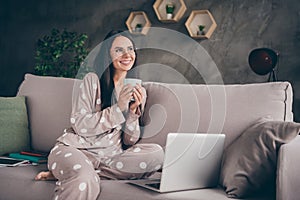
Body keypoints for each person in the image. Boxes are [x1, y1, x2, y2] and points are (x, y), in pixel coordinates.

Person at [35, 30, 164, 200]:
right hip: (77, 150)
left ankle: (74, 173)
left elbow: (129, 141)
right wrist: (119, 108)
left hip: (110, 157)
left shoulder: (138, 90)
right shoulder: (92, 80)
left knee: (156, 153)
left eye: (130, 49)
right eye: (119, 50)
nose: (127, 54)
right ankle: (79, 173)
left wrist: (133, 113)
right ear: (107, 54)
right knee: (84, 180)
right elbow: (80, 124)